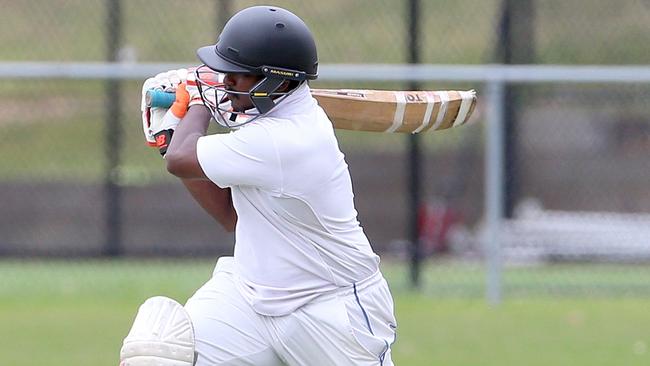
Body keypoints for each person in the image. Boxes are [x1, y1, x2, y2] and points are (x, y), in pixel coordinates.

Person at [121, 6, 397, 366]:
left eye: (237, 76)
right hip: (248, 298)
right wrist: (170, 140)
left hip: (330, 308)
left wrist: (196, 106)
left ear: (278, 82)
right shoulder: (265, 127)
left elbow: (181, 160)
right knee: (156, 351)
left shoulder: (284, 140)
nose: (223, 82)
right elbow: (231, 216)